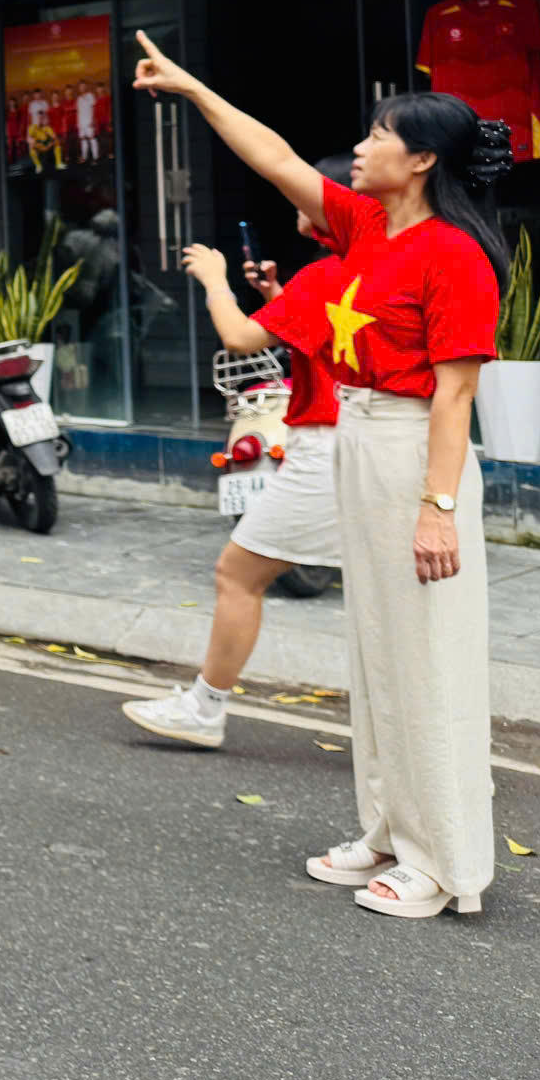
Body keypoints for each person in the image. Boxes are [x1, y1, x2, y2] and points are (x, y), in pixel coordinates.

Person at [135, 35, 508, 921]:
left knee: (428, 662)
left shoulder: (454, 255)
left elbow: (456, 397)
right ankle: (387, 830)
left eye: (379, 137)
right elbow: (271, 155)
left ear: (420, 161)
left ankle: (447, 862)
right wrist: (192, 86)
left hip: (416, 451)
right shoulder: (367, 227)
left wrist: (438, 511)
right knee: (377, 656)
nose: (363, 148)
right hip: (355, 438)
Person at [124, 158, 353, 749]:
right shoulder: (359, 270)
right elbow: (326, 337)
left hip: (325, 444)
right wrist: (278, 296)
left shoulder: (329, 273)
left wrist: (215, 281)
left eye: (307, 193)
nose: (298, 201)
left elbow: (239, 338)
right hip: (366, 442)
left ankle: (206, 708)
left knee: (236, 573)